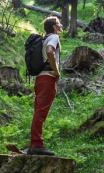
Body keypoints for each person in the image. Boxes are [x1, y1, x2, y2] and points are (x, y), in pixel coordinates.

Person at [28, 16, 63, 156]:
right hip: (48, 78)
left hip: (40, 78)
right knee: (41, 112)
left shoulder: (45, 38)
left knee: (38, 111)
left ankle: (34, 144)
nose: (61, 26)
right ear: (54, 26)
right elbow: (50, 52)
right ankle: (37, 144)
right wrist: (57, 72)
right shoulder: (53, 37)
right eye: (59, 24)